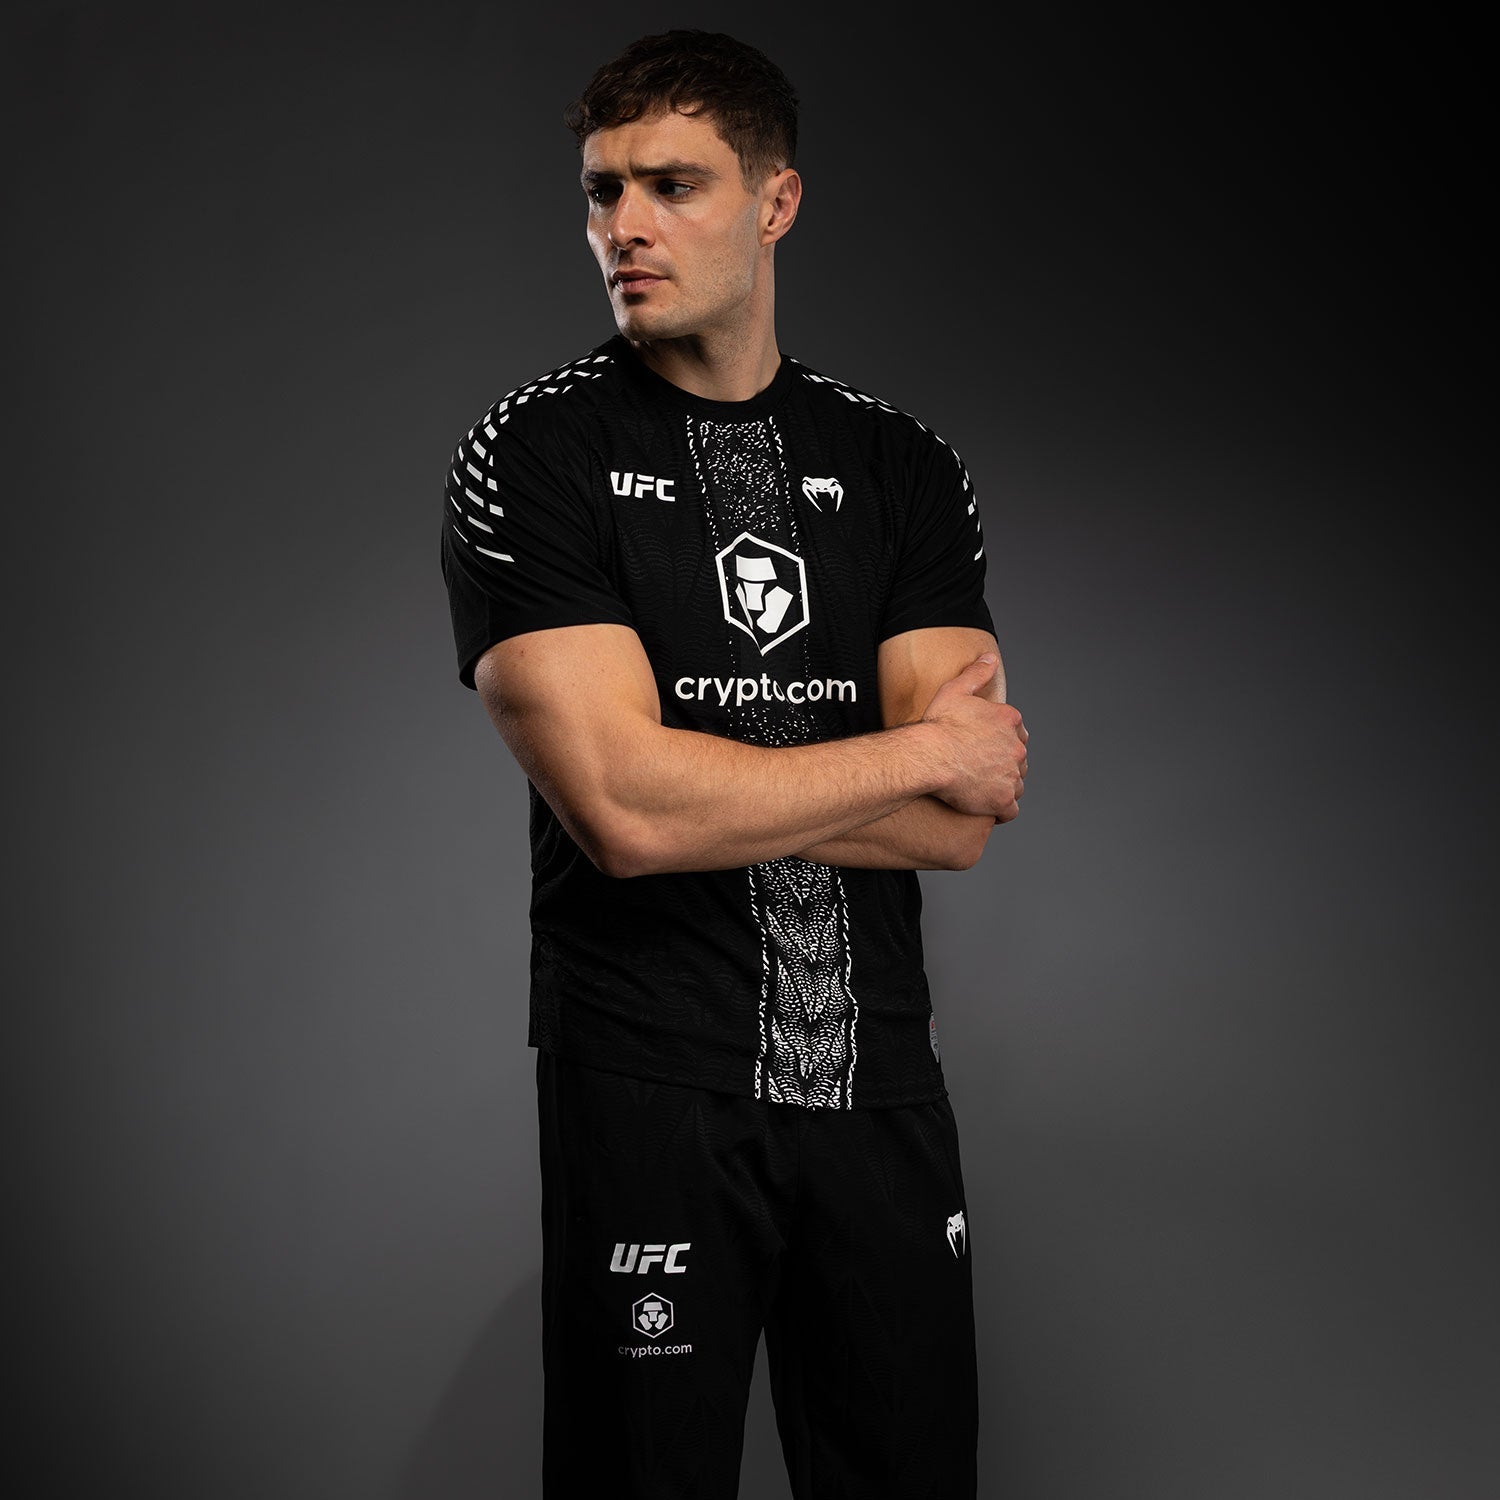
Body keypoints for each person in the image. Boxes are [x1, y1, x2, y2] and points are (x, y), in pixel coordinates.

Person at [438, 28, 1028, 1499]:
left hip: (879, 1072)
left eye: (674, 184)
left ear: (777, 201)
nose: (625, 227)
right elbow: (626, 814)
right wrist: (910, 751)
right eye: (603, 190)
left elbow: (961, 818)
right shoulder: (534, 454)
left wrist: (723, 782)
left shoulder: (899, 463)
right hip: (648, 1075)